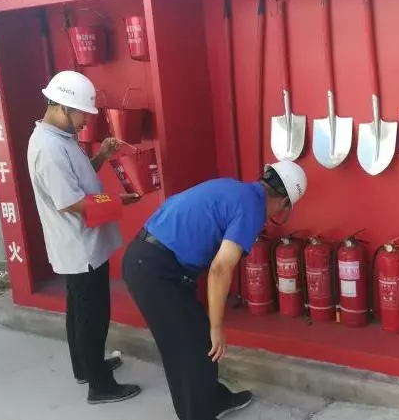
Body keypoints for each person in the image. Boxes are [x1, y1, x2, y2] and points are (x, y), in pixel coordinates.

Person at [122, 161, 307, 420]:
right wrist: (217, 327)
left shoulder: (234, 188)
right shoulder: (252, 209)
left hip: (152, 260)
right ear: (284, 202)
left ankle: (213, 400)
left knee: (198, 338)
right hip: (154, 270)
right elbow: (220, 268)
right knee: (186, 348)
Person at [27, 70, 142, 404]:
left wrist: (102, 155)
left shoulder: (61, 138)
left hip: (83, 244)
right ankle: (100, 385)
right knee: (92, 316)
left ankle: (85, 367)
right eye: (82, 114)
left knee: (79, 310)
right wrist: (118, 202)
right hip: (80, 248)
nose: (85, 121)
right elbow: (71, 202)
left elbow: (78, 178)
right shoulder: (49, 148)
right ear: (62, 107)